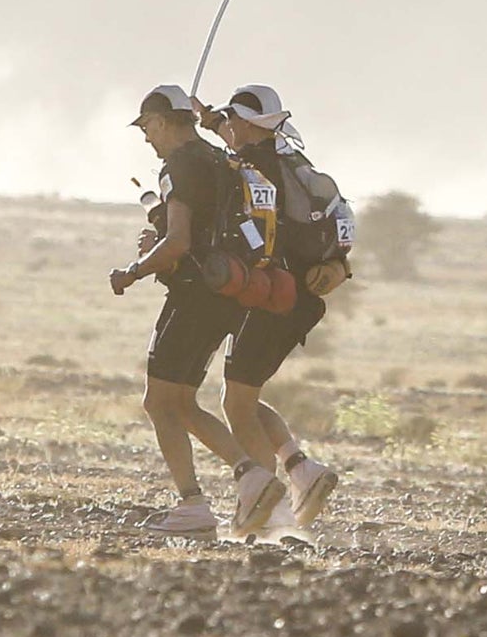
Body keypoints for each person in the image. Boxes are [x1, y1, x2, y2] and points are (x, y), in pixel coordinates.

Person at [109, 85, 285, 538]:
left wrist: (134, 270)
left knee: (159, 402)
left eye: (147, 127)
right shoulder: (219, 158)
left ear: (165, 122)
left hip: (193, 296)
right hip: (228, 295)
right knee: (182, 403)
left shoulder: (180, 166)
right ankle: (251, 478)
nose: (147, 137)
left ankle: (198, 502)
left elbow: (180, 241)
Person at [203, 85, 339, 529]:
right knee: (244, 395)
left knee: (237, 404)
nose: (229, 126)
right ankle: (301, 470)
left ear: (246, 123)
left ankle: (267, 511)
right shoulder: (289, 160)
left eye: (232, 119)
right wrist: (210, 122)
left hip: (269, 296)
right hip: (298, 299)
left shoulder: (247, 170)